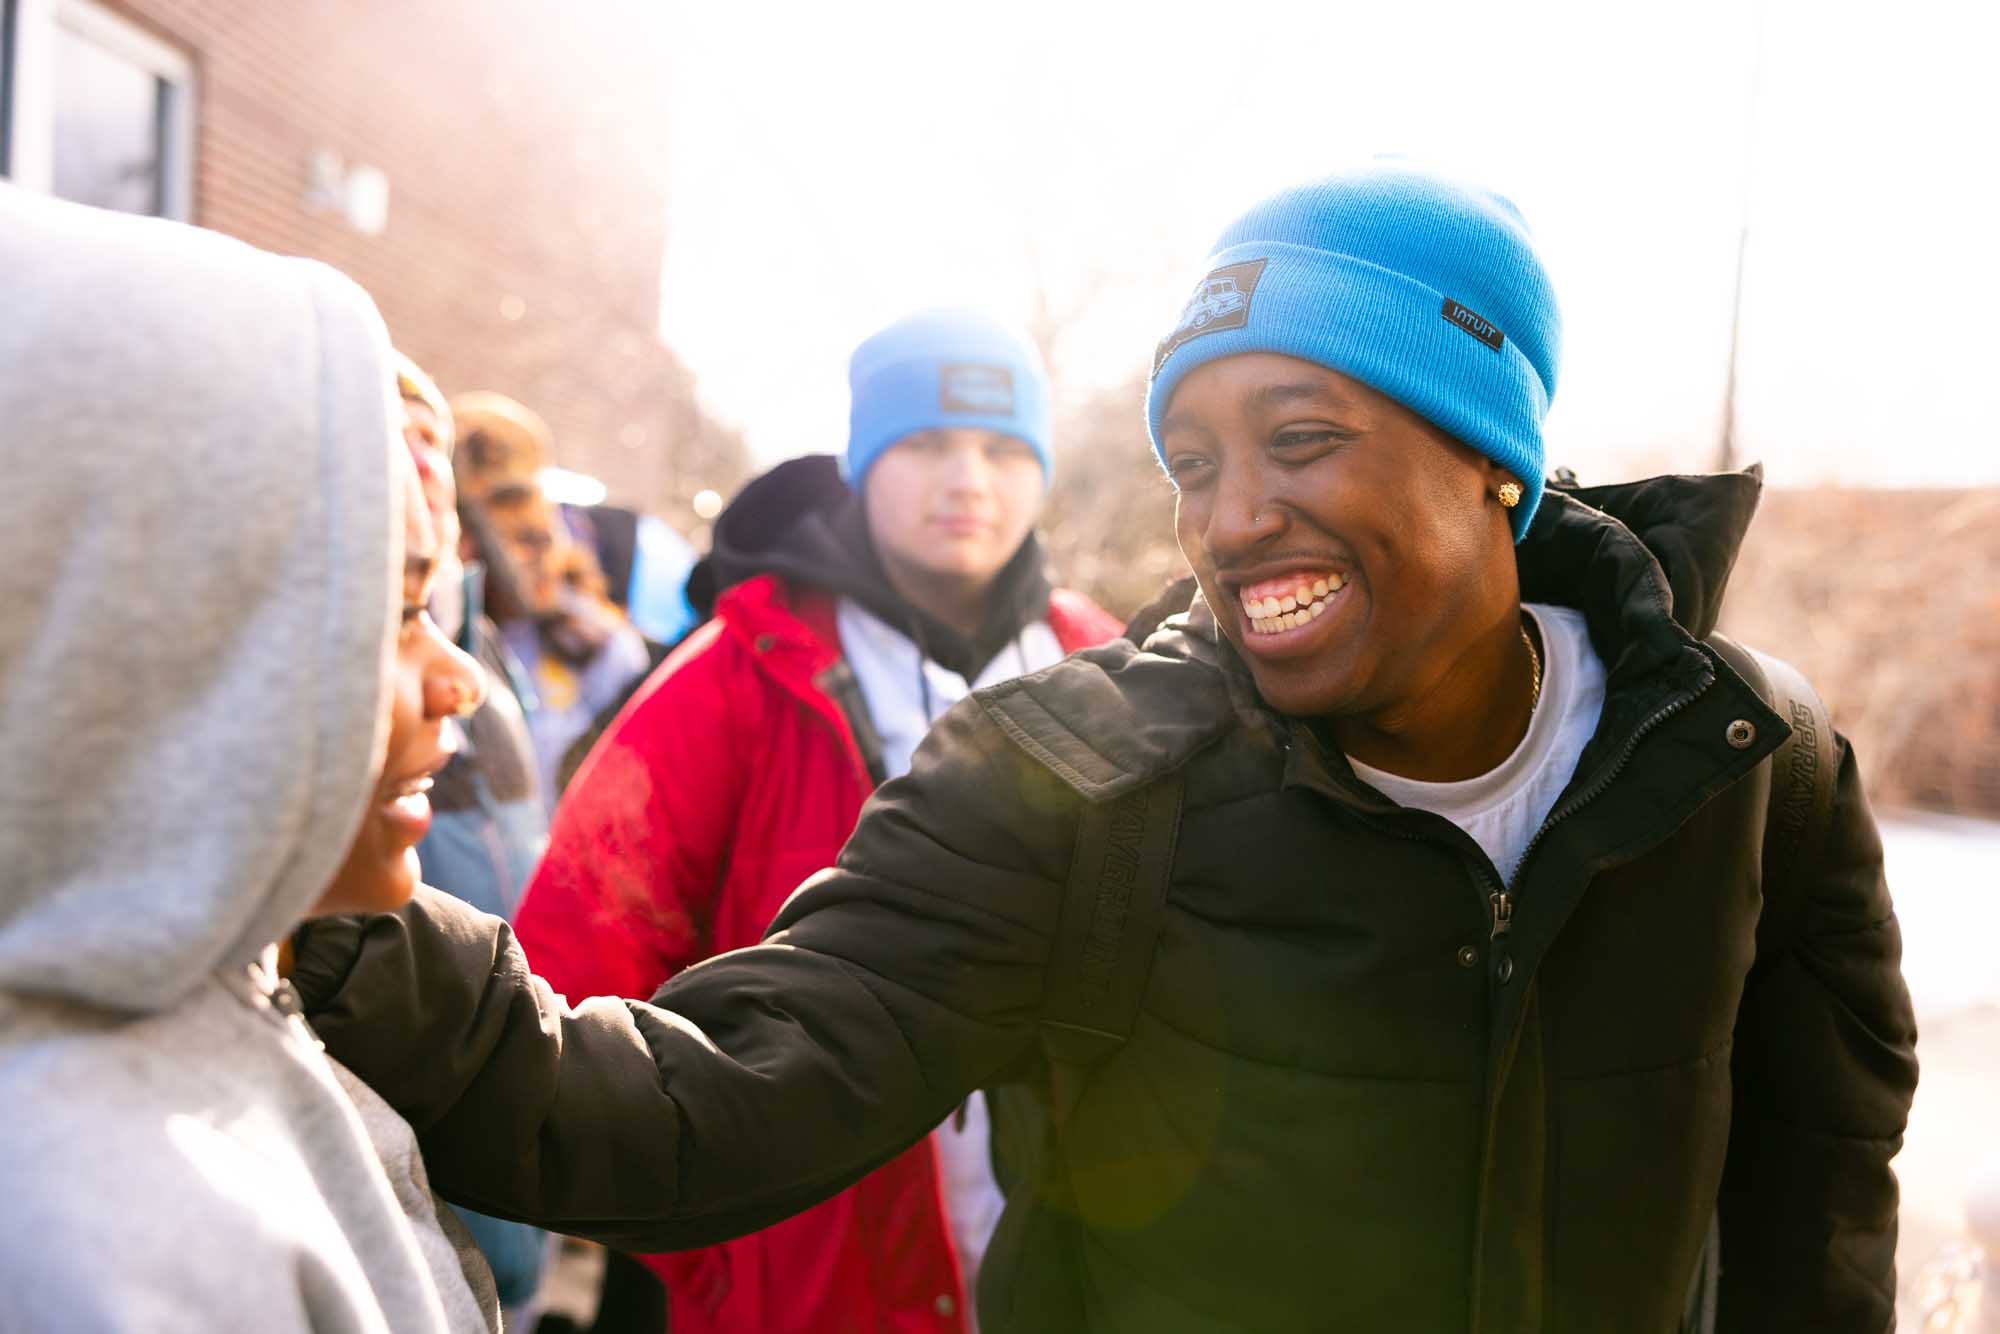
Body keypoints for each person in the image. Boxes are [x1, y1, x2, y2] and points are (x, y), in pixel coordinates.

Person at [290, 167, 1918, 1332]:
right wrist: (343, 925)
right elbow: (707, 1103)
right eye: (1192, 461)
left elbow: (1817, 1215)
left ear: (1494, 458)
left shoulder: (1748, 762)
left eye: (1300, 440)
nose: (1228, 518)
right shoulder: (1079, 771)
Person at [510, 309, 1122, 1334]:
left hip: (1072, 1274)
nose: (968, 478)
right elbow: (562, 981)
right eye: (926, 441)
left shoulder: (1109, 666)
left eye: (1003, 447)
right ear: (862, 461)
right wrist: (712, 1252)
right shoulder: (736, 674)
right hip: (804, 1294)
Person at [0, 185, 496, 1331]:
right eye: (396, 608)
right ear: (155, 635)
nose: (458, 678)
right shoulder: (97, 1221)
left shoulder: (203, 1012)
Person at [396, 354, 556, 1315]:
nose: (520, 540)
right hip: (432, 1057)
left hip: (510, 1036)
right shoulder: (418, 664)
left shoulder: (483, 651)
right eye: (497, 502)